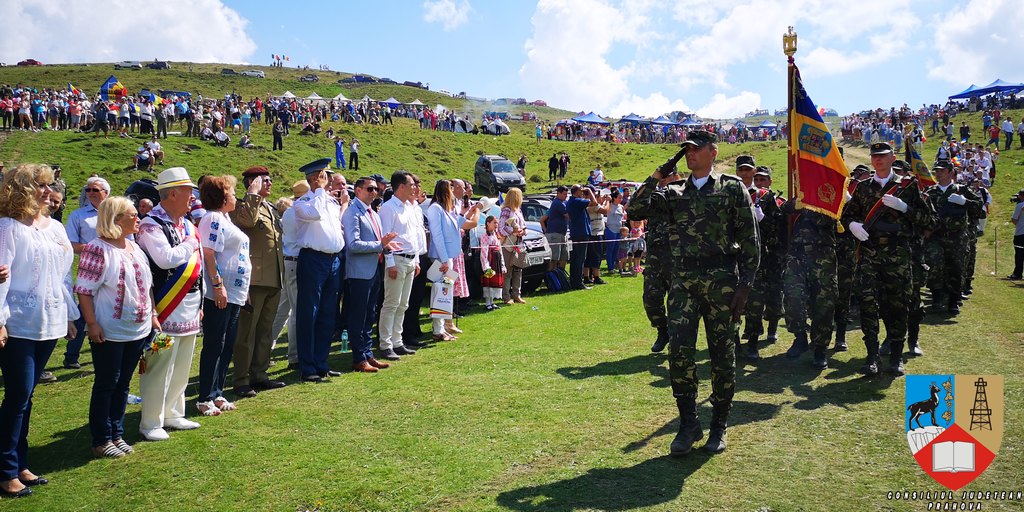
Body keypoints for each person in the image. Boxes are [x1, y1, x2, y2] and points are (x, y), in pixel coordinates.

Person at [629, 130, 758, 456]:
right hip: (683, 280)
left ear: (713, 152)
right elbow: (635, 209)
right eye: (686, 150)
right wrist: (659, 173)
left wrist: (745, 286)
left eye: (697, 149)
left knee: (721, 355)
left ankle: (718, 425)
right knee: (681, 355)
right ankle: (688, 424)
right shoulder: (673, 192)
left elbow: (750, 241)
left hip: (722, 281)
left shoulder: (731, 188)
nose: (690, 154)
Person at [0, 164, 79, 497]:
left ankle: (20, 463)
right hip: (18, 322)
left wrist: (71, 316)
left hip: (48, 322)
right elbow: (1, 277)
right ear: (21, 189)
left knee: (27, 395)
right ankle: (5, 471)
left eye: (50, 185)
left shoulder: (56, 228)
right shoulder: (8, 227)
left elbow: (63, 276)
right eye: (41, 186)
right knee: (18, 395)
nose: (49, 191)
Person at [841, 142, 932, 377]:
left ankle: (896, 356)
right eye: (875, 157)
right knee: (868, 306)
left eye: (883, 156)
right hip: (870, 254)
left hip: (897, 255)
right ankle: (871, 357)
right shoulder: (862, 188)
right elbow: (847, 214)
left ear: (893, 158)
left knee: (897, 306)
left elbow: (929, 221)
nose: (878, 160)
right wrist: (852, 225)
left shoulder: (907, 188)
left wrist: (905, 208)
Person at [75, 196, 156, 458]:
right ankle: (101, 438)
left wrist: (152, 313)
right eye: (133, 215)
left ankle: (116, 432)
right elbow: (84, 290)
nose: (138, 219)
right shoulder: (97, 249)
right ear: (116, 219)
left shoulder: (134, 247)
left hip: (137, 328)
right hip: (109, 329)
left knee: (123, 383)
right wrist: (91, 323)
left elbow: (147, 285)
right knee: (107, 382)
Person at [136, 167, 204, 441]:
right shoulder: (151, 224)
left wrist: (200, 298)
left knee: (184, 361)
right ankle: (151, 421)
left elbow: (196, 265)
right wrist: (189, 243)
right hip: (164, 304)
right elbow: (165, 259)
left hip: (189, 302)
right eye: (188, 192)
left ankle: (174, 412)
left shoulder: (186, 223)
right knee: (159, 363)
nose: (192, 197)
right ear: (172, 193)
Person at [195, 176, 250, 415]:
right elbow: (209, 254)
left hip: (236, 292)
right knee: (215, 343)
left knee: (227, 343)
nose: (235, 196)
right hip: (220, 291)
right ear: (221, 197)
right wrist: (217, 285)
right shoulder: (213, 218)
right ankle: (205, 396)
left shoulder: (225, 218)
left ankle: (217, 392)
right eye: (232, 192)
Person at [230, 167, 285, 398]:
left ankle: (259, 374)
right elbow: (249, 223)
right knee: (247, 332)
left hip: (273, 277)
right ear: (252, 183)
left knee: (265, 331)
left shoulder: (269, 208)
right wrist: (252, 195)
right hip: (254, 279)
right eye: (265, 180)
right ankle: (241, 379)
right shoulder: (242, 206)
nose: (270, 183)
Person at [292, 159, 347, 382]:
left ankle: (321, 362)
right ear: (315, 178)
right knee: (309, 313)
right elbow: (314, 214)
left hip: (333, 260)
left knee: (327, 313)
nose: (330, 180)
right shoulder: (304, 203)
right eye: (325, 176)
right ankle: (308, 366)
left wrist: (325, 194)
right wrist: (319, 191)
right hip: (313, 259)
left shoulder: (330, 202)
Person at [343, 178, 398, 369]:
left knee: (369, 314)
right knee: (358, 315)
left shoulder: (373, 213)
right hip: (359, 272)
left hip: (373, 269)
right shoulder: (352, 213)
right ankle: (359, 358)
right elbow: (353, 244)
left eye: (376, 189)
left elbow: (379, 242)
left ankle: (368, 354)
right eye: (369, 189)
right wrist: (380, 244)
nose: (374, 192)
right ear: (358, 190)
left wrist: (387, 245)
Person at [626, 170, 680, 352]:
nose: (665, 179)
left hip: (678, 259)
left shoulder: (686, 195)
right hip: (656, 258)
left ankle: (677, 338)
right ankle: (662, 331)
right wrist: (653, 179)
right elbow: (633, 209)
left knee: (679, 304)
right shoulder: (656, 197)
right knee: (651, 299)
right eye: (663, 176)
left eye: (668, 175)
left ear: (677, 177)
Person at [63, 176, 112, 369]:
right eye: (88, 190)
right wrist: (98, 249)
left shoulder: (117, 214)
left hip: (115, 271)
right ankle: (71, 355)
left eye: (95, 190)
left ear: (106, 193)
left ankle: (107, 351)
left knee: (110, 310)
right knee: (85, 312)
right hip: (90, 271)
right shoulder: (78, 215)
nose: (90, 193)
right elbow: (71, 245)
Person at [923, 161, 982, 317]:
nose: (938, 174)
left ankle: (953, 300)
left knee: (956, 267)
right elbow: (922, 213)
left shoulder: (962, 190)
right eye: (936, 171)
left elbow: (980, 210)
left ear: (950, 172)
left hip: (957, 237)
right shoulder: (930, 192)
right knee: (934, 266)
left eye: (941, 171)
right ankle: (937, 297)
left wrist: (965, 202)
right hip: (935, 237)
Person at [377, 170, 425, 360]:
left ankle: (397, 341)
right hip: (396, 259)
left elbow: (414, 236)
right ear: (401, 186)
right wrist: (390, 263)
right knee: (391, 303)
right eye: (412, 185)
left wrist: (417, 260)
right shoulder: (389, 208)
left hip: (411, 259)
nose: (415, 188)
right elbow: (386, 237)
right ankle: (385, 344)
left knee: (403, 304)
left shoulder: (408, 207)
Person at [426, 180, 476, 340]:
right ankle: (437, 329)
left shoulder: (447, 209)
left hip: (450, 257)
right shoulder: (435, 209)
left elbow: (459, 223)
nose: (454, 191)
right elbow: (437, 235)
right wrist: (444, 259)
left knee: (445, 293)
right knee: (440, 291)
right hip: (442, 258)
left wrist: (466, 212)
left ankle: (442, 328)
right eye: (451, 188)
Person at [276, 180, 310, 370]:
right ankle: (294, 355)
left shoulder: (289, 211)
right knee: (296, 310)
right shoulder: (299, 212)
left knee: (283, 309)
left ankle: (265, 350)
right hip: (297, 261)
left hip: (288, 260)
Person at [498, 188, 528, 305]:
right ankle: (506, 296)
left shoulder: (518, 210)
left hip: (519, 244)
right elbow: (501, 227)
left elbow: (524, 225)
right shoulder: (506, 210)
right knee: (507, 272)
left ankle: (517, 295)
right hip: (508, 245)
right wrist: (513, 231)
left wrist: (523, 231)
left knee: (518, 269)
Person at [566, 184, 595, 290]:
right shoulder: (576, 201)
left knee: (575, 258)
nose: (582, 192)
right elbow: (594, 202)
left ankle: (574, 280)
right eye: (581, 191)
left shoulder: (572, 201)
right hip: (581, 232)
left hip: (576, 232)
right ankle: (578, 282)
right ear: (576, 192)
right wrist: (590, 191)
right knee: (580, 258)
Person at [540, 185, 570, 272]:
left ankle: (560, 275)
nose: (566, 196)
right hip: (554, 234)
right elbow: (568, 215)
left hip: (562, 234)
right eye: (564, 194)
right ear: (558, 193)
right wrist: (546, 230)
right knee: (553, 259)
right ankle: (551, 276)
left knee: (564, 256)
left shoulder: (563, 203)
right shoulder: (557, 203)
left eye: (566, 194)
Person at [479, 216, 505, 310]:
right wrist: (486, 266)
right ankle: (487, 303)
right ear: (488, 223)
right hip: (490, 260)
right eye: (494, 223)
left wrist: (502, 264)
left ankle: (492, 302)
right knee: (489, 282)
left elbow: (500, 249)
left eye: (497, 223)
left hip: (496, 260)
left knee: (494, 282)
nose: (496, 225)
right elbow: (484, 252)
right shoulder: (484, 236)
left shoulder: (496, 235)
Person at [1009, 188, 1024, 280]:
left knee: (1019, 254)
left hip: (1020, 233)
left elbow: (1014, 220)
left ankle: (1017, 273)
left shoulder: (1020, 205)